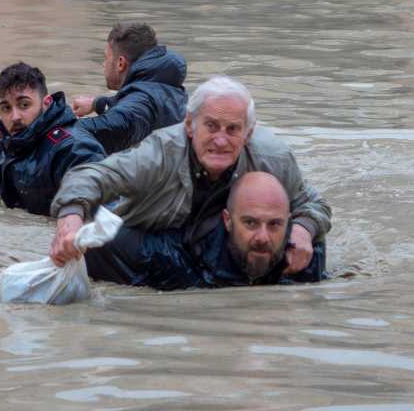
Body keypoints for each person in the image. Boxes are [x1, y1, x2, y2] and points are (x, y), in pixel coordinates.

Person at [48, 75, 330, 274]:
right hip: (159, 239)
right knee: (98, 244)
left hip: (221, 242)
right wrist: (69, 220)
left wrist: (304, 231)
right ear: (190, 125)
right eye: (211, 126)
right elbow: (89, 176)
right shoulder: (158, 153)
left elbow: (313, 205)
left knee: (313, 250)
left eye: (233, 129)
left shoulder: (273, 158)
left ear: (249, 133)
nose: (221, 140)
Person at [84, 171, 326, 290]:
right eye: (250, 223)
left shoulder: (303, 257)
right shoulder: (173, 258)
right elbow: (97, 235)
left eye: (274, 225)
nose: (263, 237)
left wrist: (306, 230)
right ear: (228, 220)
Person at [0, 62, 105, 216]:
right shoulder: (18, 141)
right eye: (6, 108)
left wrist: (72, 217)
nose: (14, 116)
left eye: (24, 105)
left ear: (46, 103)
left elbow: (95, 186)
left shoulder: (72, 147)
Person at [70, 23, 187, 154]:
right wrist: (96, 104)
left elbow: (120, 123)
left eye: (106, 58)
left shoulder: (142, 102)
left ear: (120, 63)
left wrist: (55, 127)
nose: (104, 64)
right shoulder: (164, 86)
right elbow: (132, 106)